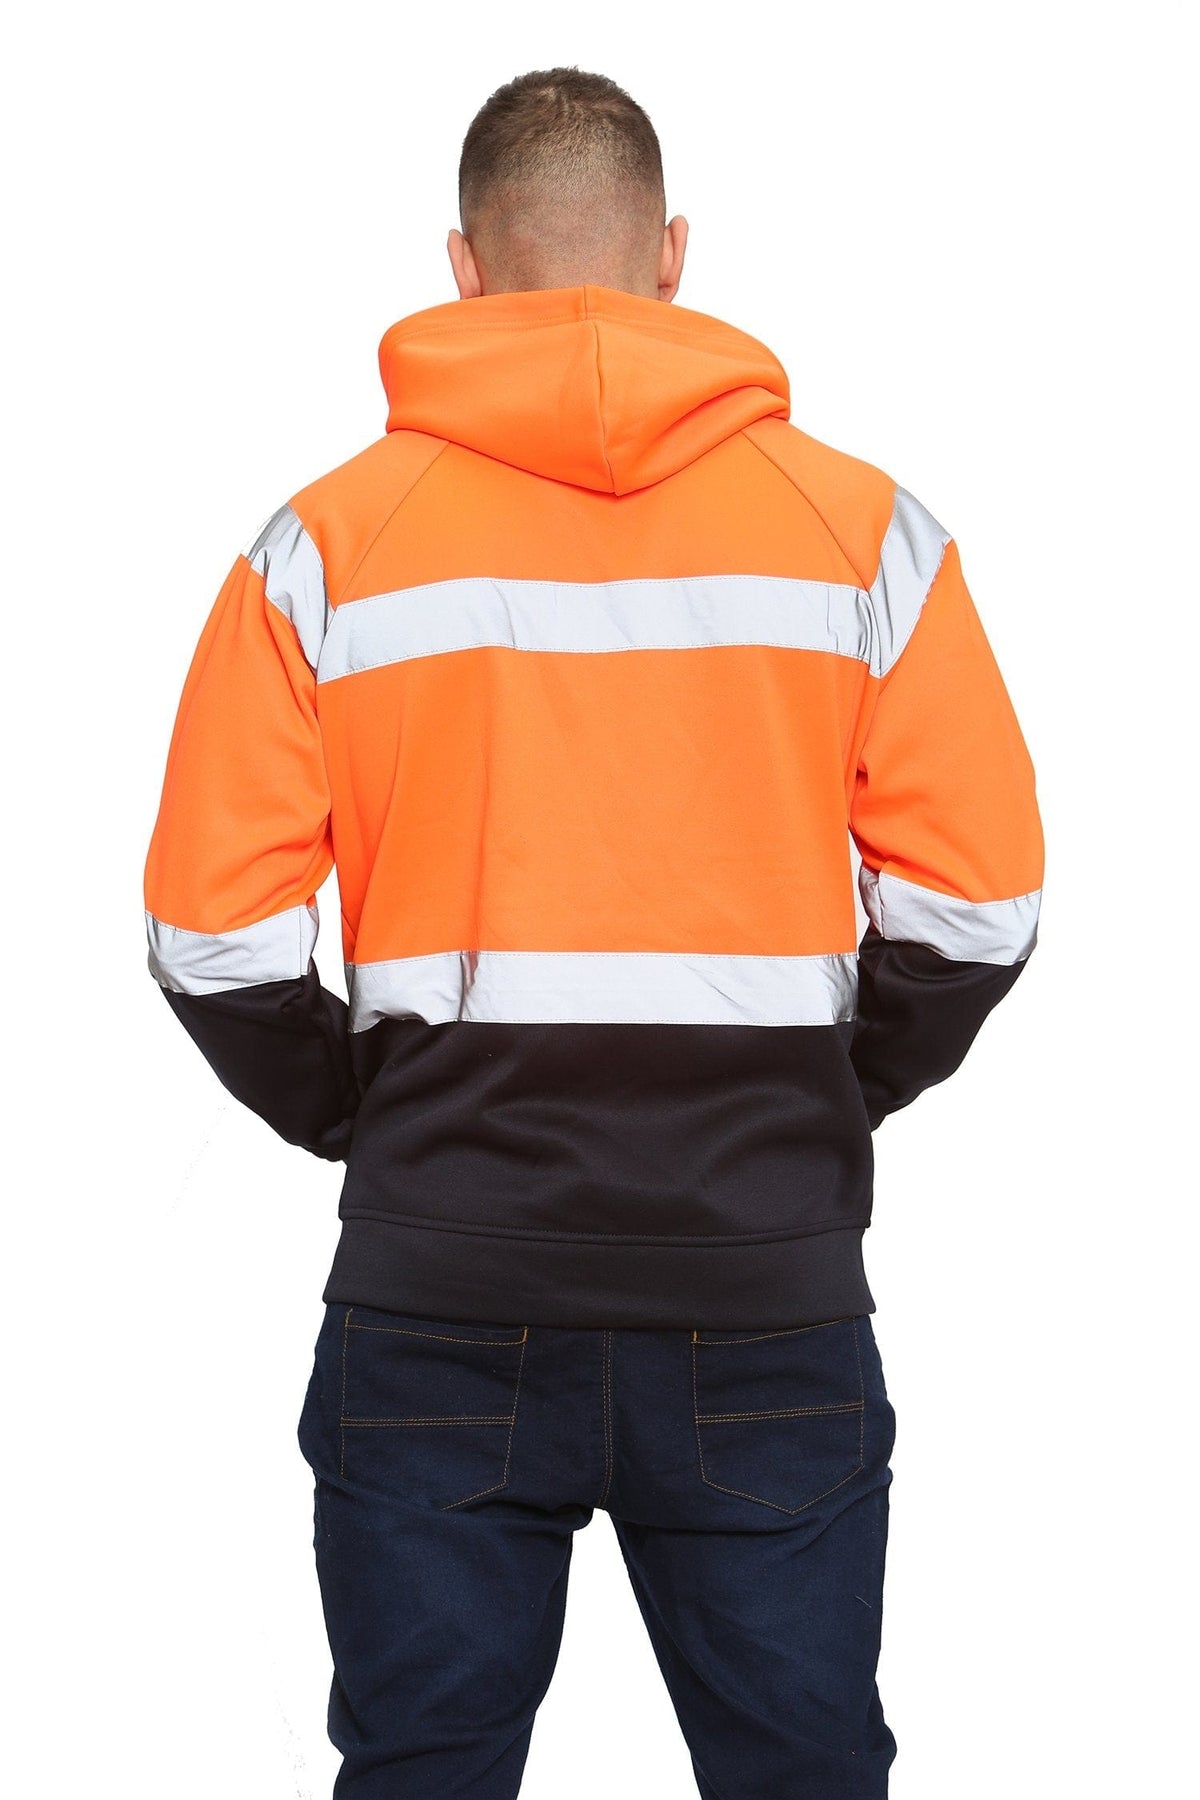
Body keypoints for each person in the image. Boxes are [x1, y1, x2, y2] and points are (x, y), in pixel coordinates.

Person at [142, 64, 1044, 1800]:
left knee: (421, 1774)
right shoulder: (863, 535)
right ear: (674, 256)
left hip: (440, 1290)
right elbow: (979, 900)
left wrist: (370, 1114)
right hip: (763, 1288)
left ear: (463, 270)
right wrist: (818, 1092)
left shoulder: (323, 550)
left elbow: (211, 933)